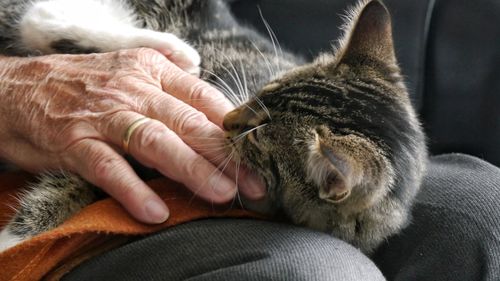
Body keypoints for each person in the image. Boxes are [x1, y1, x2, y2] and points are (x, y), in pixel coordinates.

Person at [1, 4, 500, 281]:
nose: (234, 116)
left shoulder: (326, 151)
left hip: (325, 170)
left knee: (485, 213)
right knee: (310, 274)